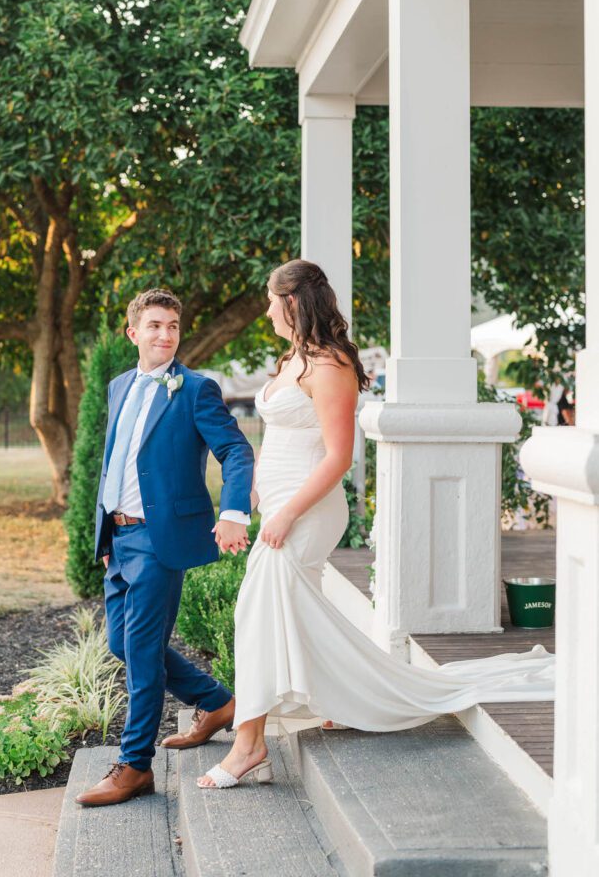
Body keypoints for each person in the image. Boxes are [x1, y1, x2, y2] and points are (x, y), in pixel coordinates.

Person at [197, 260, 554, 790]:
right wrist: (258, 494)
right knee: (283, 611)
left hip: (308, 511)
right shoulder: (293, 357)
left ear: (292, 301)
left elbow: (338, 457)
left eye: (272, 299)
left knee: (257, 611)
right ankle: (345, 698)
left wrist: (290, 510)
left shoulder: (331, 365)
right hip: (279, 506)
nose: (266, 309)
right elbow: (283, 439)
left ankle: (249, 746)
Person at [76, 288, 254, 807]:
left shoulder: (195, 389)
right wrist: (106, 530)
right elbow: (114, 461)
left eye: (173, 326)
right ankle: (218, 703)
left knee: (143, 655)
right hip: (120, 536)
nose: (166, 335)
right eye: (154, 325)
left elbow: (235, 451)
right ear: (133, 333)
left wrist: (233, 512)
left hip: (160, 541)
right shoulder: (119, 387)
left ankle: (134, 767)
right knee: (121, 646)